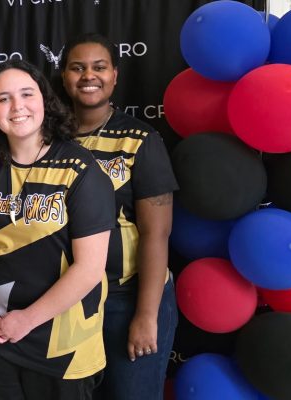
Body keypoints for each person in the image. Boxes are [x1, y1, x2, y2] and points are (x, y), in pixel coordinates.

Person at [0, 59, 116, 400]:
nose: (17, 107)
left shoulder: (81, 169)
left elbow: (89, 269)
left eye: (26, 94)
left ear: (45, 101)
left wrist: (27, 320)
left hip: (62, 347)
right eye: (3, 98)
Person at [60, 33, 179, 400]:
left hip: (127, 298)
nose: (87, 76)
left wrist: (146, 315)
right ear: (64, 76)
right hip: (70, 301)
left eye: (98, 68)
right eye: (77, 68)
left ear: (115, 75)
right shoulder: (50, 139)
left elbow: (155, 234)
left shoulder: (139, 139)